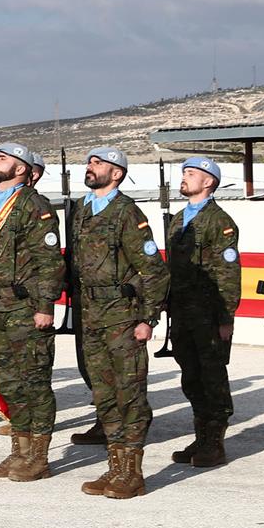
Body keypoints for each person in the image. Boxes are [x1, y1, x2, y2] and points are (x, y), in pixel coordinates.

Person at [71, 147, 169, 500]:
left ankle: (132, 472)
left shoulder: (126, 212)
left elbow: (153, 270)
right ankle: (115, 466)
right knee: (104, 394)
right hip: (92, 315)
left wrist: (147, 318)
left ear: (116, 174)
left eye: (98, 163)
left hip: (123, 316)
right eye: (90, 161)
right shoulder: (83, 209)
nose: (90, 166)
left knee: (130, 394)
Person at [0, 143, 65, 482]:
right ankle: (19, 451)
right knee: (11, 383)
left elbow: (49, 261)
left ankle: (38, 458)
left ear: (20, 169)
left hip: (25, 306)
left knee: (34, 382)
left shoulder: (33, 204)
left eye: (3, 159)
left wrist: (45, 306)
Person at [166, 157, 240, 468]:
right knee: (191, 376)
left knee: (212, 377)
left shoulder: (219, 221)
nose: (184, 178)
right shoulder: (179, 219)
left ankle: (215, 442)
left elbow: (227, 273)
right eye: (184, 172)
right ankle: (201, 435)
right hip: (182, 312)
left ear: (208, 182)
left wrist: (225, 319)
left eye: (191, 173)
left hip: (208, 315)